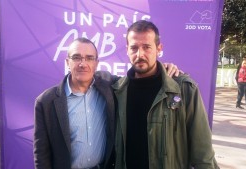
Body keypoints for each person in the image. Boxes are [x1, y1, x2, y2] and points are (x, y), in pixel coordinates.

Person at [33, 37, 180, 169]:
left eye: (89, 58)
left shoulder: (109, 84)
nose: (83, 64)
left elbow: (138, 79)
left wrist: (161, 69)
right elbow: (41, 154)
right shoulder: (46, 102)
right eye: (77, 57)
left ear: (96, 63)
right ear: (67, 62)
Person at [113, 20, 219, 169]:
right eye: (134, 48)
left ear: (159, 48)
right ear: (127, 50)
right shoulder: (117, 90)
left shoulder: (183, 89)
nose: (140, 54)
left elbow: (203, 152)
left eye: (147, 47)